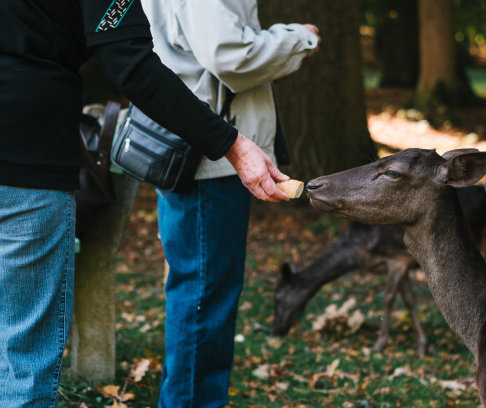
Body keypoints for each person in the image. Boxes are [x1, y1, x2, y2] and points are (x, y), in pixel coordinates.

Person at [0, 1, 290, 407]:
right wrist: (233, 145)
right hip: (25, 162)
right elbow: (134, 68)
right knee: (24, 363)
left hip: (24, 159)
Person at [138, 0, 320, 406]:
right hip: (208, 158)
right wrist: (299, 38)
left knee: (198, 292)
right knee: (204, 298)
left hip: (194, 150)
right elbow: (229, 55)